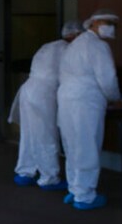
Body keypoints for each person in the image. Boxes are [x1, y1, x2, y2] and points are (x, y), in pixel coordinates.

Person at [57, 9, 121, 210]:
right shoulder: (98, 46)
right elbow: (108, 78)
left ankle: (75, 188)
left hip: (66, 98)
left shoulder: (75, 44)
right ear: (91, 23)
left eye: (113, 24)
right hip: (86, 101)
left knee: (73, 145)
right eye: (105, 22)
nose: (110, 27)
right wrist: (115, 99)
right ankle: (85, 197)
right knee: (87, 146)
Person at [8, 20, 82, 190]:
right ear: (75, 35)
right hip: (44, 94)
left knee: (29, 134)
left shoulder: (48, 46)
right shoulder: (68, 50)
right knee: (46, 135)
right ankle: (49, 178)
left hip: (28, 89)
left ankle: (25, 172)